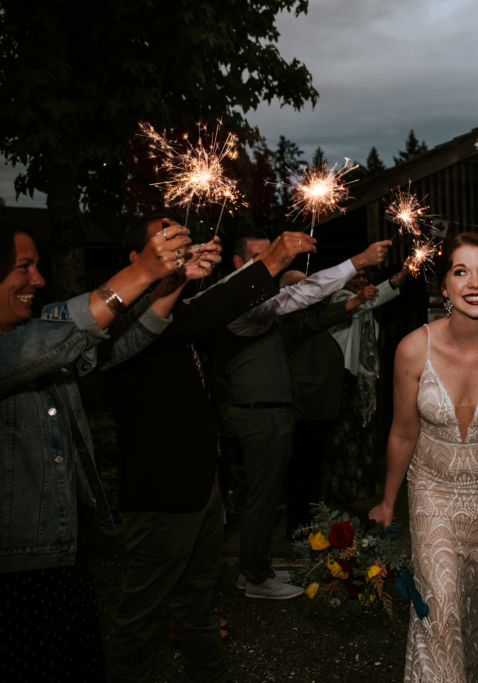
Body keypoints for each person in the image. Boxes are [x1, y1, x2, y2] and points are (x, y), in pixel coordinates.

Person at [102, 219, 311, 683]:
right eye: (166, 243)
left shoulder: (175, 315)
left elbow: (204, 309)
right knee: (140, 618)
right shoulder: (120, 327)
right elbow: (210, 310)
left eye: (181, 241)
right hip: (160, 498)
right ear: (133, 264)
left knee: (197, 608)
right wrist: (270, 263)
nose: (180, 248)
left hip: (202, 490)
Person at [0, 222, 196, 680]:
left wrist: (171, 286)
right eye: (22, 268)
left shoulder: (35, 341)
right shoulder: (25, 346)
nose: (38, 280)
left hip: (60, 555)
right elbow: (62, 333)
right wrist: (142, 273)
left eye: (38, 267)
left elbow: (118, 344)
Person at [368, 232, 478, 682]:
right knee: (441, 612)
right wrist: (388, 502)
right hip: (433, 493)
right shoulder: (412, 348)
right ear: (443, 287)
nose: (475, 282)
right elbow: (403, 432)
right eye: (460, 271)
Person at [213, 232, 391, 600]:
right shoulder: (238, 302)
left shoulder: (260, 302)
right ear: (237, 264)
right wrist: (357, 262)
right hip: (259, 413)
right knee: (262, 499)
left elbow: (306, 305)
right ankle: (257, 576)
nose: (276, 261)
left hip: (270, 411)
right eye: (265, 256)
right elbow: (305, 301)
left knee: (263, 498)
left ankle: (253, 568)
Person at [323, 262, 410, 503]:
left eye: (364, 276)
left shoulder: (363, 304)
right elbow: (364, 304)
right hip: (341, 380)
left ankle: (358, 495)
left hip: (358, 381)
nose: (361, 280)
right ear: (344, 282)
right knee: (342, 441)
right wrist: (394, 281)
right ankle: (340, 498)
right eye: (355, 277)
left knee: (360, 437)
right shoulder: (340, 299)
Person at [277, 269, 354, 533]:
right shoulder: (288, 315)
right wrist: (348, 305)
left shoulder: (305, 313)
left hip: (315, 407)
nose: (310, 290)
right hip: (303, 407)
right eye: (303, 286)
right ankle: (299, 528)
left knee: (310, 471)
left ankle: (307, 525)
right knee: (302, 471)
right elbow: (314, 323)